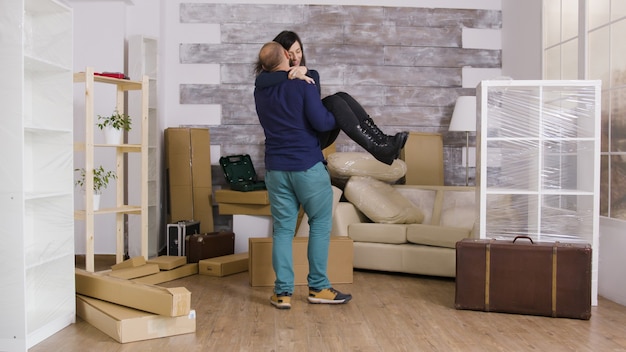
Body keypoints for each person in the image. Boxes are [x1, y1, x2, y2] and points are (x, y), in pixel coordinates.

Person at [254, 41, 352, 309]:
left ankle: (282, 293)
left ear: (263, 66)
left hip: (276, 170)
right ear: (287, 55)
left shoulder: (259, 91)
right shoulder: (301, 85)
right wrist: (338, 117)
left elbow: (269, 79)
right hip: (307, 166)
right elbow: (322, 123)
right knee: (320, 224)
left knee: (283, 230)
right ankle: (318, 287)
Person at [255, 31, 408, 166]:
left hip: (311, 130)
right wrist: (343, 116)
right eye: (290, 53)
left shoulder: (309, 75)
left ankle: (383, 141)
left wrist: (305, 71)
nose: (296, 57)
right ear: (282, 54)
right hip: (305, 139)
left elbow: (315, 103)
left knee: (341, 97)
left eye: (299, 51)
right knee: (336, 103)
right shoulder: (269, 79)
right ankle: (380, 149)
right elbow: (261, 80)